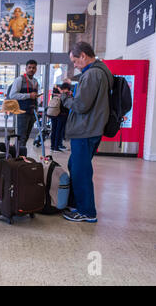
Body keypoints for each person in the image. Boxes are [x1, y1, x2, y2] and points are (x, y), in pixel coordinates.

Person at [61, 42, 113, 223]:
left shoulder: (92, 74)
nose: (74, 65)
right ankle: (75, 204)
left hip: (86, 129)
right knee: (74, 166)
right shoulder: (101, 71)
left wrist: (65, 98)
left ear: (83, 55)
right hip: (91, 128)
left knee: (81, 171)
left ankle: (87, 211)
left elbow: (81, 105)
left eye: (75, 61)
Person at [9, 60, 40, 146]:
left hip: (32, 112)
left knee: (26, 137)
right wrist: (29, 95)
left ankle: (19, 154)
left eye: (33, 68)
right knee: (21, 137)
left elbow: (34, 98)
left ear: (36, 69)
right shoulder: (19, 80)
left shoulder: (36, 81)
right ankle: (18, 157)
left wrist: (36, 110)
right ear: (26, 68)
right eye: (29, 67)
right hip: (22, 112)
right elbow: (12, 95)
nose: (31, 69)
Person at [50, 83, 71, 153]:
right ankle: (56, 147)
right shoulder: (65, 95)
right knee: (59, 131)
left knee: (54, 130)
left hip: (53, 114)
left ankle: (53, 146)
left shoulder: (56, 93)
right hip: (62, 115)